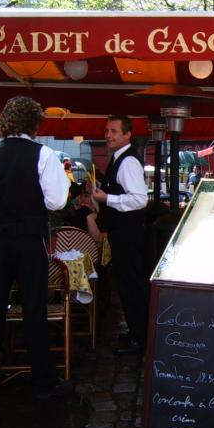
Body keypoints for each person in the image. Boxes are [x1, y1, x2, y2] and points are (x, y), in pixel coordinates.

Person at [0, 96, 72, 401]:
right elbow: (56, 202)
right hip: (29, 238)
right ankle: (43, 381)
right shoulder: (44, 154)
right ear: (35, 123)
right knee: (34, 307)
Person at [92, 114, 149, 356]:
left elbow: (139, 199)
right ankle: (138, 333)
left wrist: (107, 199)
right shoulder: (118, 159)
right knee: (127, 286)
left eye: (114, 131)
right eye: (106, 131)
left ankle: (141, 339)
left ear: (128, 135)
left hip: (129, 235)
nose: (108, 135)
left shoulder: (128, 162)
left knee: (132, 286)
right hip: (122, 234)